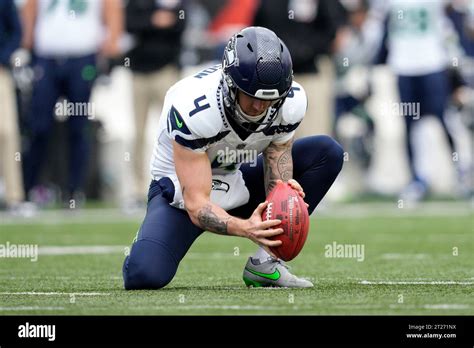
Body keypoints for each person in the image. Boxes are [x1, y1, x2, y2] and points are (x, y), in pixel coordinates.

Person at [122, 27, 343, 289]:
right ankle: (147, 241)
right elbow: (196, 202)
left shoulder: (289, 101)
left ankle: (265, 265)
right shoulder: (194, 107)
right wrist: (245, 227)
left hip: (235, 177)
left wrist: (283, 194)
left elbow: (277, 159)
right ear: (231, 84)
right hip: (180, 194)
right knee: (144, 275)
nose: (261, 107)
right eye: (252, 97)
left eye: (270, 99)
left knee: (326, 152)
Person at [21, 0, 123, 206]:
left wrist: (111, 42)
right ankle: (31, 188)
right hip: (46, 57)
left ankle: (74, 191)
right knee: (39, 125)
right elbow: (30, 9)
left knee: (79, 126)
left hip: (82, 58)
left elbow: (112, 8)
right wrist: (26, 42)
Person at [125, 0, 185, 207]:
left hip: (166, 71)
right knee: (137, 133)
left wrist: (156, 22)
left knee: (175, 131)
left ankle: (178, 183)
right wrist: (153, 20)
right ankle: (136, 188)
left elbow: (180, 23)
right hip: (139, 73)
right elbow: (129, 22)